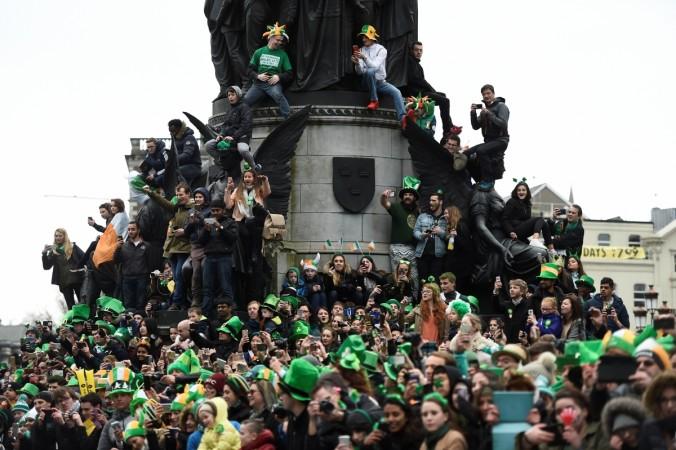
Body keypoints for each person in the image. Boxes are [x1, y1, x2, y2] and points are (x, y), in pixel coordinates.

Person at [144, 182, 193, 310]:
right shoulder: (176, 207)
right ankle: (178, 302)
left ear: (188, 194)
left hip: (184, 248)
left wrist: (184, 231)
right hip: (173, 248)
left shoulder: (193, 208)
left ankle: (177, 302)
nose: (178, 197)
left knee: (179, 276)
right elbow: (164, 202)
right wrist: (151, 193)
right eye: (177, 195)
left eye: (181, 194)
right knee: (176, 278)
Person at [405, 41, 460, 137]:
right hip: (417, 95)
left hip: (421, 92)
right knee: (445, 101)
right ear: (411, 51)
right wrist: (431, 90)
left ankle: (449, 125)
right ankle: (447, 130)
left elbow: (421, 81)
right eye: (416, 50)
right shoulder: (410, 62)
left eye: (421, 50)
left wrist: (432, 90)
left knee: (443, 96)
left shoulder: (417, 65)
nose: (419, 52)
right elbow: (417, 80)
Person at [352, 24, 406, 121]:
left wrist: (364, 58)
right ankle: (374, 100)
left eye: (366, 37)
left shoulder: (381, 50)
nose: (363, 39)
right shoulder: (361, 50)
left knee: (397, 92)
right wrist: (356, 64)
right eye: (363, 37)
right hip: (367, 82)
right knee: (369, 72)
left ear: (372, 37)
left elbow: (375, 66)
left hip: (380, 83)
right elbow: (360, 72)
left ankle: (403, 118)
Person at [205, 85, 257, 183]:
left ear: (238, 95)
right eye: (229, 95)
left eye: (232, 94)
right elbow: (225, 125)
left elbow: (246, 126)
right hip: (227, 137)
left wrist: (233, 137)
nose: (230, 97)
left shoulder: (245, 108)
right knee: (209, 145)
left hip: (241, 136)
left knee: (243, 149)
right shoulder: (229, 110)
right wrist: (221, 134)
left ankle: (254, 166)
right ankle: (221, 163)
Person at [198, 197, 238, 318]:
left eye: (217, 210)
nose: (215, 213)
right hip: (209, 257)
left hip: (224, 257)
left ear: (223, 210)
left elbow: (232, 238)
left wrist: (220, 227)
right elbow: (201, 241)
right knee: (207, 288)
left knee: (225, 286)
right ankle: (205, 316)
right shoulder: (207, 222)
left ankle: (230, 314)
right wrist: (205, 230)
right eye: (213, 210)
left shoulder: (230, 222)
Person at [243, 22, 293, 118]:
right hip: (258, 84)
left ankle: (288, 119)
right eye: (278, 40)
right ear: (271, 38)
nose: (279, 43)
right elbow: (249, 70)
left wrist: (278, 76)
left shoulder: (283, 54)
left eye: (281, 41)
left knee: (278, 95)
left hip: (273, 84)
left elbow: (289, 73)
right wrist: (258, 76)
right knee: (245, 101)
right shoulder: (259, 52)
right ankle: (238, 123)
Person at [467, 84, 510, 190]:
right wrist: (472, 113)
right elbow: (475, 126)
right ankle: (478, 180)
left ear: (493, 94)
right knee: (466, 154)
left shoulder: (501, 106)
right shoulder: (484, 110)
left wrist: (490, 114)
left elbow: (503, 124)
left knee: (481, 151)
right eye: (484, 94)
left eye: (488, 93)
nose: (486, 96)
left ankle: (488, 180)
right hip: (488, 142)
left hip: (501, 140)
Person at [381, 177, 420, 294]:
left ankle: (412, 301)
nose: (407, 196)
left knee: (414, 277)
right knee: (398, 277)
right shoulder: (396, 207)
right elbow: (385, 204)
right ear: (402, 197)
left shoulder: (417, 211)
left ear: (414, 197)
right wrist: (383, 197)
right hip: (398, 248)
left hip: (413, 249)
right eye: (405, 194)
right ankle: (398, 302)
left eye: (410, 195)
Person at [42, 228, 85, 308]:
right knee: (71, 307)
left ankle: (86, 319)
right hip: (64, 282)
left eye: (60, 236)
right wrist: (44, 254)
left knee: (83, 303)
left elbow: (84, 257)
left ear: (64, 236)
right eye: (56, 236)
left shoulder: (72, 246)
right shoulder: (54, 251)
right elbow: (46, 266)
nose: (57, 238)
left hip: (77, 279)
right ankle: (73, 320)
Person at [501, 180, 551, 247]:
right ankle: (535, 239)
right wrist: (511, 232)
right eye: (519, 190)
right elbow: (504, 219)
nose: (521, 192)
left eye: (523, 190)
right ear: (516, 192)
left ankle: (550, 247)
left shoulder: (527, 204)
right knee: (540, 219)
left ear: (527, 192)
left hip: (522, 230)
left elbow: (528, 220)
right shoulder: (512, 201)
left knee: (544, 223)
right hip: (514, 230)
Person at [114, 221, 150, 311]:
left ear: (138, 230)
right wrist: (117, 249)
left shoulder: (147, 246)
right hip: (127, 279)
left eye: (133, 229)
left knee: (141, 303)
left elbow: (151, 263)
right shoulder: (123, 246)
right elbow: (116, 261)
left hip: (142, 278)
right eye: (129, 229)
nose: (130, 231)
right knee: (128, 304)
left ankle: (139, 322)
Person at [413, 192, 448, 284]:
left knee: (435, 283)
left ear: (440, 202)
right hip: (422, 255)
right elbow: (415, 231)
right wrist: (422, 235)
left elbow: (450, 237)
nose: (430, 202)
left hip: (438, 257)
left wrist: (441, 232)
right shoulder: (423, 216)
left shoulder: (446, 218)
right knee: (422, 282)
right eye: (430, 200)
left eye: (433, 200)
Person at [442, 206, 473, 293]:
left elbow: (467, 246)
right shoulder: (451, 227)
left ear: (452, 214)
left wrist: (456, 237)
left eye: (446, 213)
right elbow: (450, 248)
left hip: (462, 269)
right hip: (454, 267)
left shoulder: (461, 225)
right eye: (444, 213)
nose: (444, 216)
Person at [168, 119, 202, 188]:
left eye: (174, 130)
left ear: (179, 128)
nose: (172, 133)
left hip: (193, 166)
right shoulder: (175, 139)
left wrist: (173, 160)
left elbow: (187, 155)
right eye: (171, 131)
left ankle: (186, 191)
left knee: (176, 172)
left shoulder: (189, 138)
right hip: (180, 165)